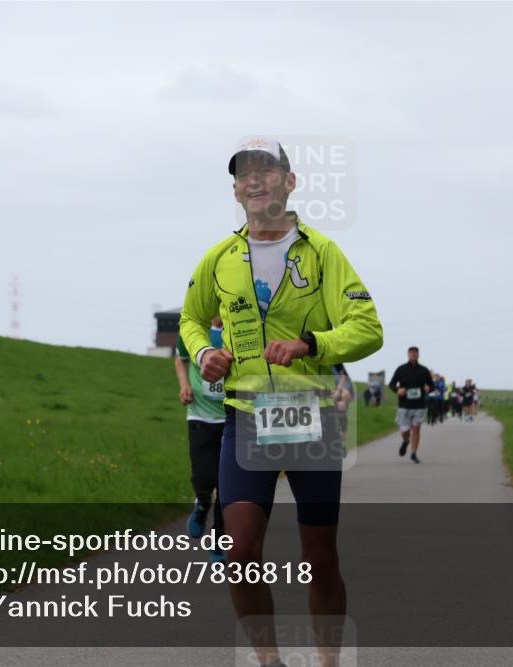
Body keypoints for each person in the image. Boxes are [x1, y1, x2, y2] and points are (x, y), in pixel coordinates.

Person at [180, 138, 383, 667]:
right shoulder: (219, 259)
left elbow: (368, 328)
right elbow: (191, 320)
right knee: (239, 554)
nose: (255, 180)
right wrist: (204, 354)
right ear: (234, 190)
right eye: (244, 173)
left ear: (289, 182)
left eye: (267, 170)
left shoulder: (322, 253)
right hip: (245, 419)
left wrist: (311, 345)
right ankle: (269, 661)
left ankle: (328, 661)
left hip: (310, 418)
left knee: (319, 559)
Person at [174, 315, 227, 563]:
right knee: (205, 478)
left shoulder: (240, 327)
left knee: (228, 487)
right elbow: (181, 359)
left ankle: (218, 542)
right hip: (200, 417)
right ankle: (202, 506)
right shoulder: (195, 330)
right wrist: (185, 385)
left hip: (233, 418)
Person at [388, 347, 431, 463]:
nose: (413, 354)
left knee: (416, 429)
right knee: (405, 430)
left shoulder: (424, 370)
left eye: (415, 353)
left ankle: (414, 453)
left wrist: (429, 388)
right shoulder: (401, 369)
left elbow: (431, 386)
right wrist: (398, 390)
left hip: (420, 405)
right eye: (411, 353)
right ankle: (406, 441)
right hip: (404, 405)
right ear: (408, 354)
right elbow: (391, 384)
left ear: (418, 355)